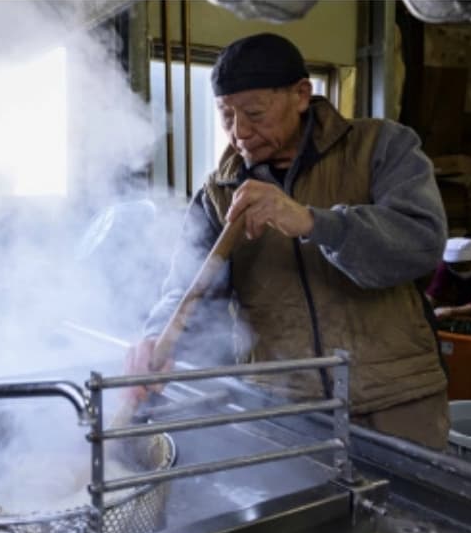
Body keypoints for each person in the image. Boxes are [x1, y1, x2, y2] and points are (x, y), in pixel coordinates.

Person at [124, 33, 451, 449]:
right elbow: (188, 289)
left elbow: (421, 242)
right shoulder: (220, 192)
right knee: (301, 514)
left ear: (301, 94)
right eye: (226, 116)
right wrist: (155, 338)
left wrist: (313, 222)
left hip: (395, 399)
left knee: (409, 513)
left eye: (255, 113)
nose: (239, 132)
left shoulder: (381, 147)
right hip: (282, 406)